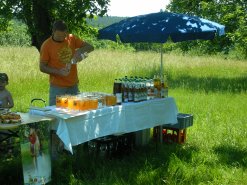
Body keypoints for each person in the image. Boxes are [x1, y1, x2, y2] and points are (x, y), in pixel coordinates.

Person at [39, 20, 94, 106]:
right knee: (55, 113)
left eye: (64, 35)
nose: (62, 38)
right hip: (57, 87)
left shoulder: (72, 38)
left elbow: (90, 47)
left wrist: (80, 51)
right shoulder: (46, 45)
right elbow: (42, 67)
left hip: (73, 85)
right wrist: (59, 72)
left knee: (76, 112)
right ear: (53, 32)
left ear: (67, 33)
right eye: (58, 35)